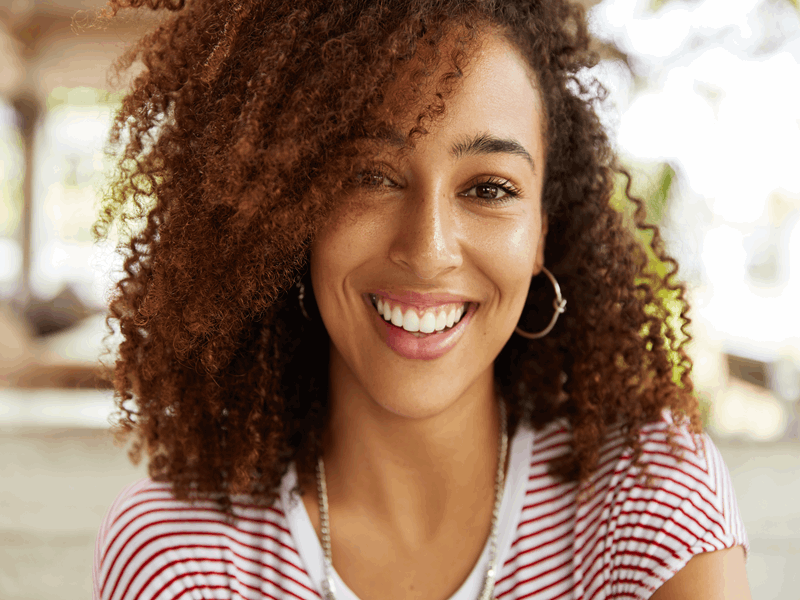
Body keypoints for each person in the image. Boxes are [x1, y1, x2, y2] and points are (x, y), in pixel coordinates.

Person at [92, 0, 751, 598]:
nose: (429, 248)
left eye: (489, 188)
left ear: (543, 231)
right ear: (293, 211)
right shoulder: (181, 554)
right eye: (371, 177)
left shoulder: (652, 502)